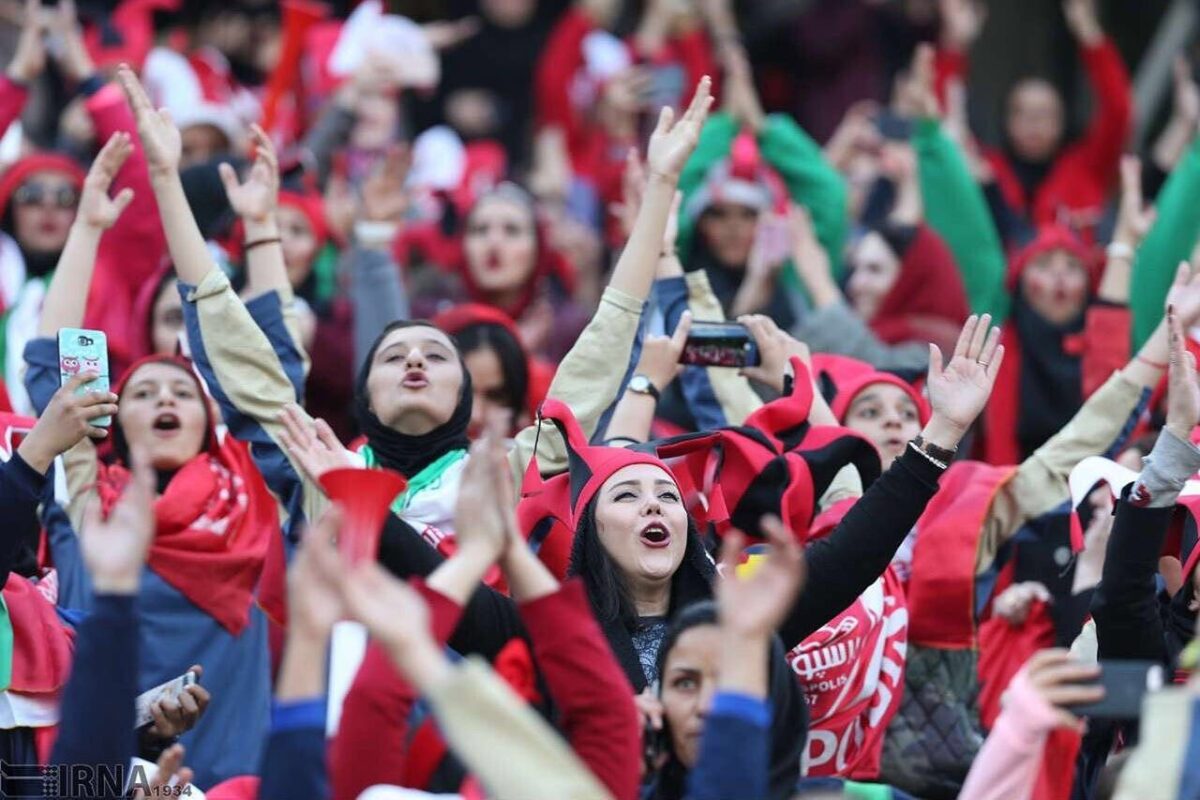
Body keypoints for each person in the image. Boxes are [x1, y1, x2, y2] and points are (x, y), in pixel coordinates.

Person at [23, 128, 279, 789]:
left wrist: (255, 229)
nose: (165, 397)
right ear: (115, 417)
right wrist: (86, 228)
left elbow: (267, 382)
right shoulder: (86, 501)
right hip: (106, 783)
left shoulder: (255, 497)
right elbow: (55, 372)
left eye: (181, 391)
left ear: (208, 417)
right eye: (142, 391)